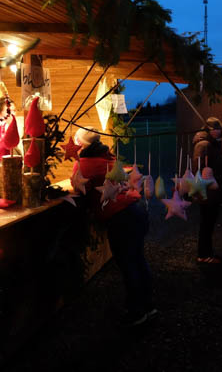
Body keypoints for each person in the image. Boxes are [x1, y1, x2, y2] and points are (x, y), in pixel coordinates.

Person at [74, 127, 155, 327]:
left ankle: (136, 312)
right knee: (137, 258)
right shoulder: (107, 157)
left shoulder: (83, 164)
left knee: (128, 264)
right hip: (136, 210)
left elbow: (77, 186)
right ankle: (147, 305)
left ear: (82, 144)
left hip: (122, 217)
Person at [192, 117, 222, 264]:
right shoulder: (204, 144)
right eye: (214, 128)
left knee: (209, 222)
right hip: (207, 190)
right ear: (207, 129)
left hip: (213, 190)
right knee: (207, 223)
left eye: (219, 128)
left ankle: (206, 252)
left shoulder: (214, 144)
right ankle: (204, 254)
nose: (217, 131)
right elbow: (199, 167)